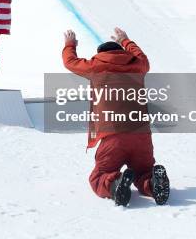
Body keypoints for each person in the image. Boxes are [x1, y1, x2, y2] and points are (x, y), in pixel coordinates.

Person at [62, 27, 170, 207]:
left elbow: (70, 62)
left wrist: (70, 44)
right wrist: (126, 40)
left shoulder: (95, 66)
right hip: (141, 134)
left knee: (99, 176)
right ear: (121, 51)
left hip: (113, 136)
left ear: (100, 54)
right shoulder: (137, 65)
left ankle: (115, 185)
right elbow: (144, 59)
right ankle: (153, 184)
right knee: (144, 171)